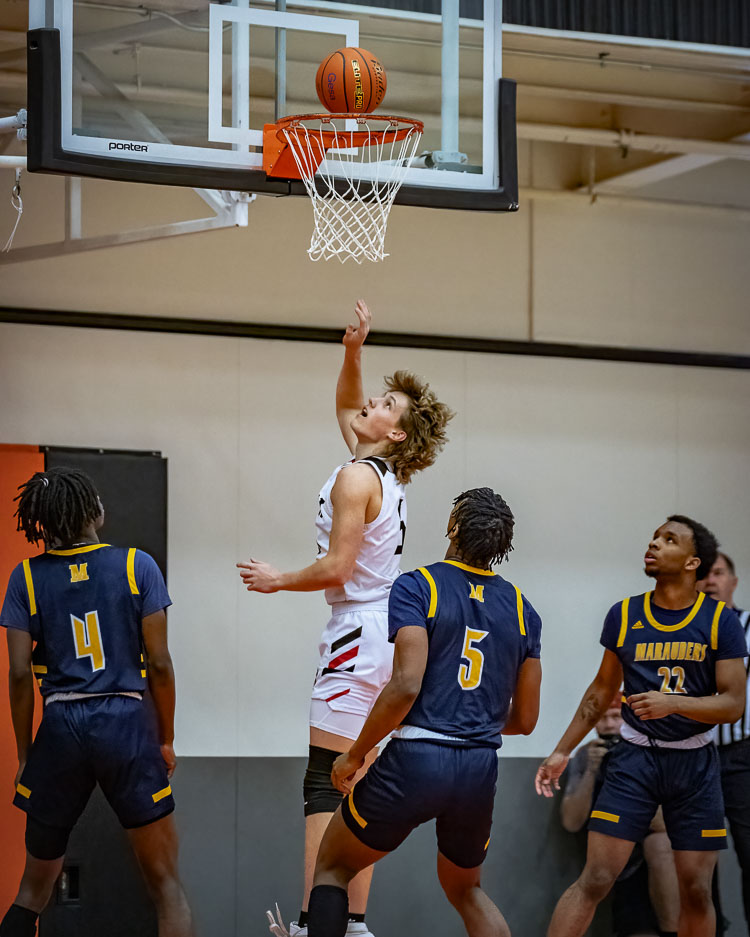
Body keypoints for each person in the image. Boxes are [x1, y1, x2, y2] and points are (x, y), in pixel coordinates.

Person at [238, 300, 453, 937]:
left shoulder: (357, 478)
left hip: (356, 631)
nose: (372, 405)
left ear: (396, 435)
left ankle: (314, 922)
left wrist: (278, 580)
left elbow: (335, 567)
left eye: (388, 405)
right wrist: (353, 352)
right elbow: (345, 408)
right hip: (377, 631)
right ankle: (352, 922)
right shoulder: (374, 468)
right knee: (353, 782)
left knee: (324, 782)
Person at [305, 487, 542, 937]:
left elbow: (406, 684)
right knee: (466, 890)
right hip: (479, 767)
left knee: (333, 866)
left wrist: (355, 754)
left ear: (454, 528)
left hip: (418, 758)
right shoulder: (522, 609)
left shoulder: (419, 585)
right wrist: (471, 725)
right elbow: (526, 721)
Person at [0, 467, 193, 937]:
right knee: (167, 887)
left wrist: (27, 754)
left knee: (32, 889)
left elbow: (21, 672)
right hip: (125, 720)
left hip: (61, 720)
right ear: (94, 510)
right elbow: (161, 664)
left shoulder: (25, 576)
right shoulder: (136, 565)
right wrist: (165, 739)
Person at [536, 515, 748, 937]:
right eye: (654, 537)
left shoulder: (719, 621)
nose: (654, 544)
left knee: (695, 890)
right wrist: (561, 749)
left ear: (692, 562)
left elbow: (733, 704)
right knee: (595, 879)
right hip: (635, 760)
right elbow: (600, 691)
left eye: (669, 540)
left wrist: (674, 703)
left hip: (695, 764)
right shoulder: (625, 614)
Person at [560, 694, 679, 937]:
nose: (609, 725)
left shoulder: (651, 752)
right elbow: (571, 822)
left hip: (660, 860)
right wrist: (592, 771)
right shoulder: (587, 755)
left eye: (616, 717)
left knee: (660, 844)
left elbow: (666, 825)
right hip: (620, 861)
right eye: (602, 719)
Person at [698, 552, 750, 932]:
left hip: (744, 754)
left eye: (718, 573)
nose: (711, 581)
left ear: (733, 581)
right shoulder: (687, 631)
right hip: (697, 756)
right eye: (705, 575)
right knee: (698, 859)